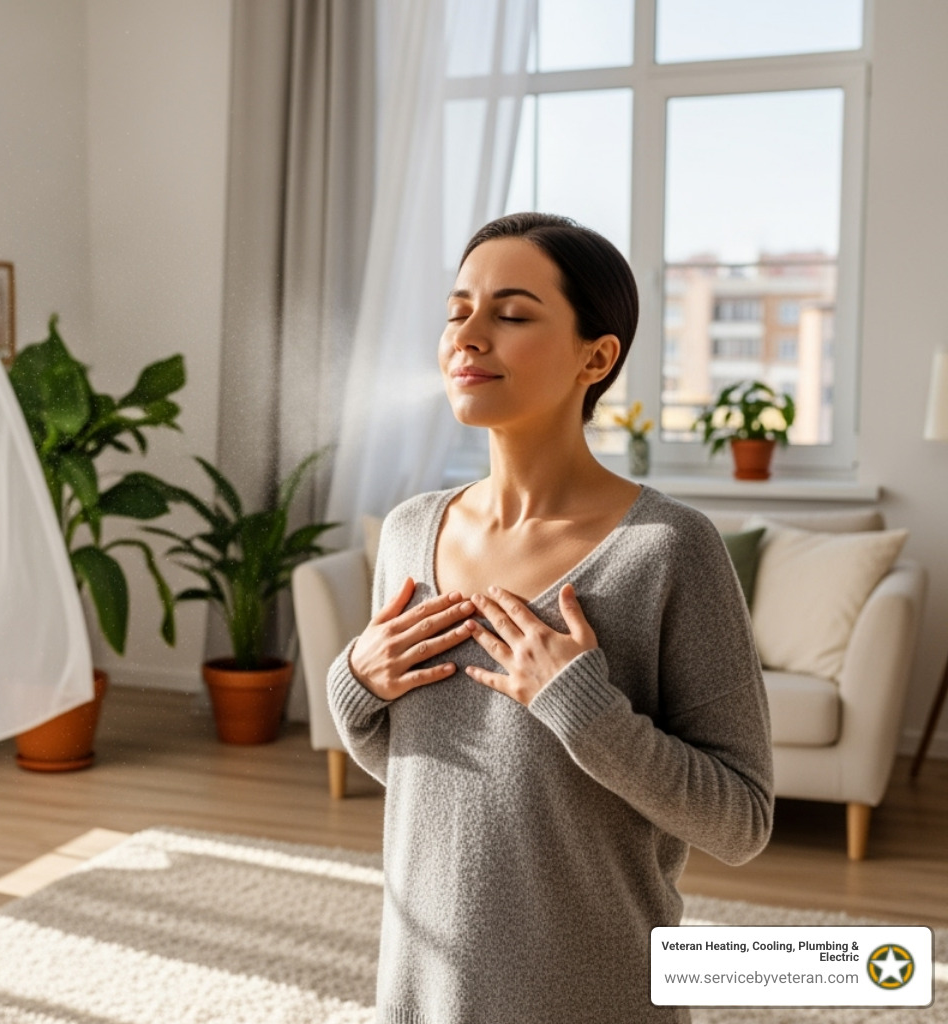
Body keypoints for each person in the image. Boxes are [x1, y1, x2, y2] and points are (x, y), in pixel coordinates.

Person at [327, 212, 773, 1024]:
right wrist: (354, 685)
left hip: (592, 997)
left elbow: (740, 821)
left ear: (596, 357)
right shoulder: (407, 532)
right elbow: (424, 781)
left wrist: (584, 709)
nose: (469, 334)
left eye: (512, 313)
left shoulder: (670, 548)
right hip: (423, 986)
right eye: (458, 309)